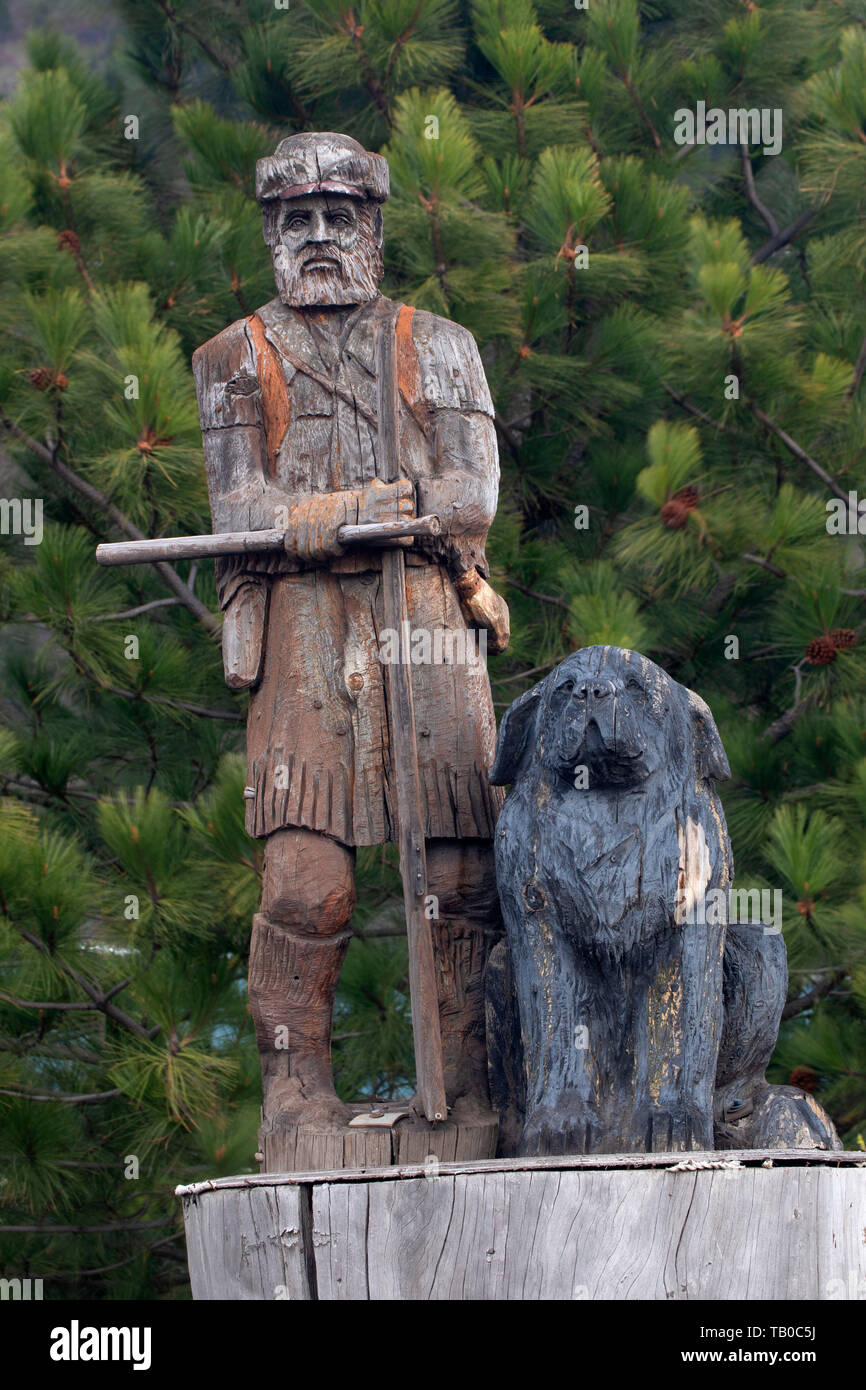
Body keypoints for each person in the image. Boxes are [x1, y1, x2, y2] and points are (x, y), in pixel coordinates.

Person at [192, 132, 504, 1131]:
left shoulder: (440, 344)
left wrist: (389, 501)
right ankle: (294, 1094)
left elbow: (473, 493)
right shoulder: (231, 358)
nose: (320, 237)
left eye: (339, 217)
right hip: (301, 628)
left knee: (456, 881)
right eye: (297, 220)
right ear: (272, 234)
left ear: (370, 226)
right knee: (305, 884)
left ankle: (462, 1089)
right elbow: (232, 510)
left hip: (423, 616)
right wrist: (306, 522)